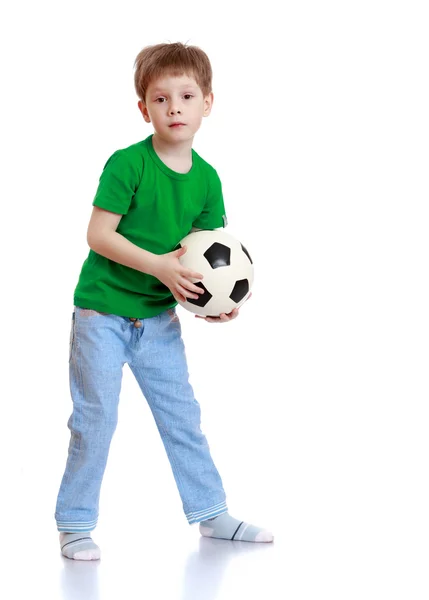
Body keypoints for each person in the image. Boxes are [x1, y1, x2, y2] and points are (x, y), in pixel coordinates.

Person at [55, 41, 273, 561]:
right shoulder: (128, 165)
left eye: (186, 95)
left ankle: (211, 513)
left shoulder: (207, 179)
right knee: (95, 418)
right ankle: (75, 522)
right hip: (101, 314)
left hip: (157, 320)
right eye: (160, 98)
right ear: (143, 108)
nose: (174, 107)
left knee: (182, 416)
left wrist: (214, 304)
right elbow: (98, 235)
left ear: (207, 103)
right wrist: (157, 265)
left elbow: (203, 259)